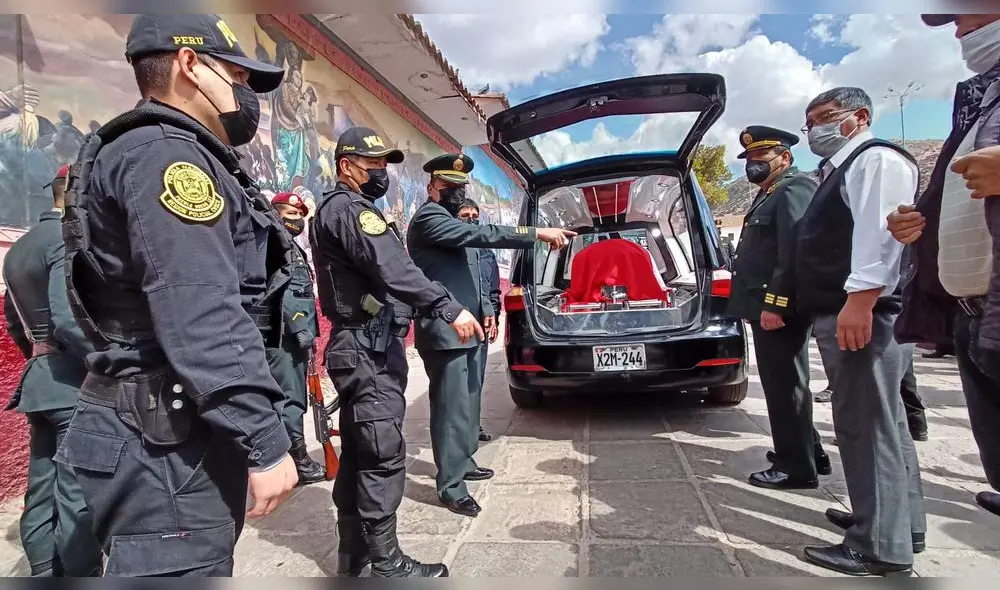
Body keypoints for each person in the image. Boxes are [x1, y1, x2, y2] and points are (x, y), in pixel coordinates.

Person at [52, 14, 299, 577]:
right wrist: (263, 438)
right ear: (189, 63)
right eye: (236, 74)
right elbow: (200, 308)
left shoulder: (158, 151)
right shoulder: (169, 159)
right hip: (162, 439)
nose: (244, 94)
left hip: (163, 418)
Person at [310, 127, 484, 577]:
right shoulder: (352, 210)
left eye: (385, 167)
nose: (382, 175)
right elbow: (395, 268)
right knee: (382, 451)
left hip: (361, 345)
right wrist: (448, 307)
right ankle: (388, 565)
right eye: (374, 167)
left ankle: (354, 553)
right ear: (347, 167)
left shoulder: (345, 209)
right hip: (367, 349)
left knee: (359, 450)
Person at [795, 86, 926, 576]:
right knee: (886, 423)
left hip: (864, 312)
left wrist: (860, 300)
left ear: (859, 117)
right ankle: (896, 524)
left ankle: (877, 547)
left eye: (825, 118)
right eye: (810, 122)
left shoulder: (873, 160)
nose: (815, 130)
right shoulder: (845, 168)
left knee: (865, 426)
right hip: (860, 309)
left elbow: (880, 235)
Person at [406, 153, 574, 517]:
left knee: (468, 400)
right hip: (444, 329)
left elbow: (475, 276)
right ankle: (451, 486)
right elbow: (481, 231)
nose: (455, 192)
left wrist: (487, 312)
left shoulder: (450, 221)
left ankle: (463, 462)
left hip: (470, 327)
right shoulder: (429, 219)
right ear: (431, 186)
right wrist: (535, 233)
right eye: (448, 186)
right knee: (451, 407)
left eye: (460, 186)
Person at [889, 13, 1000, 519]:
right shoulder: (980, 102)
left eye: (970, 16)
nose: (959, 33)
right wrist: (921, 224)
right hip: (972, 311)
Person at [2, 165, 102, 577]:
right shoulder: (65, 240)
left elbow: (13, 321)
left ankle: (44, 568)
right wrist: (105, 362)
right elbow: (68, 317)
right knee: (78, 489)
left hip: (42, 379)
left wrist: (42, 356)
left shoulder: (20, 247)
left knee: (42, 483)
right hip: (73, 381)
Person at [725, 126, 831, 490]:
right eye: (749, 160)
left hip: (776, 308)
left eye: (759, 158)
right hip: (765, 306)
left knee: (785, 386)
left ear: (784, 158)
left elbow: (793, 251)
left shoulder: (794, 188)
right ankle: (810, 451)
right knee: (786, 383)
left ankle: (795, 468)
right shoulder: (770, 193)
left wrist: (777, 304)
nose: (752, 165)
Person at [266, 191, 325, 485]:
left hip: (293, 335)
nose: (297, 219)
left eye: (300, 214)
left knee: (293, 397)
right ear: (276, 213)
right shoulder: (276, 245)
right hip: (285, 336)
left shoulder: (289, 245)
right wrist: (301, 329)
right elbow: (284, 292)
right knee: (291, 399)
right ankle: (297, 460)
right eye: (291, 214)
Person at [457, 198, 501, 443]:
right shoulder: (454, 248)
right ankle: (459, 430)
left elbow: (493, 286)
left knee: (476, 378)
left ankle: (474, 426)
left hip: (482, 325)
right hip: (458, 323)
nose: (472, 219)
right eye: (466, 215)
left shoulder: (485, 250)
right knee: (457, 381)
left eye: (475, 215)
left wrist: (494, 315)